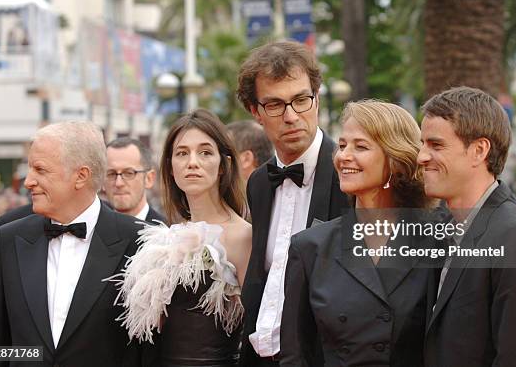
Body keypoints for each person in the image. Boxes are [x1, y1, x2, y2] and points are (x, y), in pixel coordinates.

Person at [280, 100, 435, 366]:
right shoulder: (310, 247)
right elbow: (296, 355)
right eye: (342, 146)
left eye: (360, 146)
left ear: (396, 160)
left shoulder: (436, 241)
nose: (343, 157)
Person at [0, 121, 141, 367]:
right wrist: (31, 358)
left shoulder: (138, 241)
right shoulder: (8, 239)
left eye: (40, 170)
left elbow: (144, 352)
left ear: (81, 176)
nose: (28, 181)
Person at [418, 86, 516, 367]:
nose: (421, 156)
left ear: (479, 150)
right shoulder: (442, 228)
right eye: (423, 144)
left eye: (436, 145)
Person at [236, 40, 350, 366]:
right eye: (274, 105)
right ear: (255, 112)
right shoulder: (259, 183)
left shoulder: (350, 176)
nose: (291, 116)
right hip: (262, 354)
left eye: (301, 100)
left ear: (316, 98)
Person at [114, 109, 252, 367]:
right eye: (181, 153)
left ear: (224, 165)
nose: (192, 162)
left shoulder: (243, 235)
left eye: (205, 152)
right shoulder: (166, 236)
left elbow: (257, 328)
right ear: (170, 167)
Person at [105, 137, 165, 223]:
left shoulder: (168, 233)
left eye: (129, 173)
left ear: (149, 179)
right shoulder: (90, 229)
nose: (118, 183)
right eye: (111, 174)